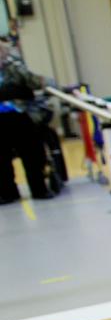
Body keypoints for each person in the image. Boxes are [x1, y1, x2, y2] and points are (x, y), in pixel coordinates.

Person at [0, 38, 56, 204]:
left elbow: (35, 81)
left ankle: (39, 189)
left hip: (20, 117)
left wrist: (53, 84)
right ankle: (7, 192)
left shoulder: (15, 67)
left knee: (31, 155)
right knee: (1, 159)